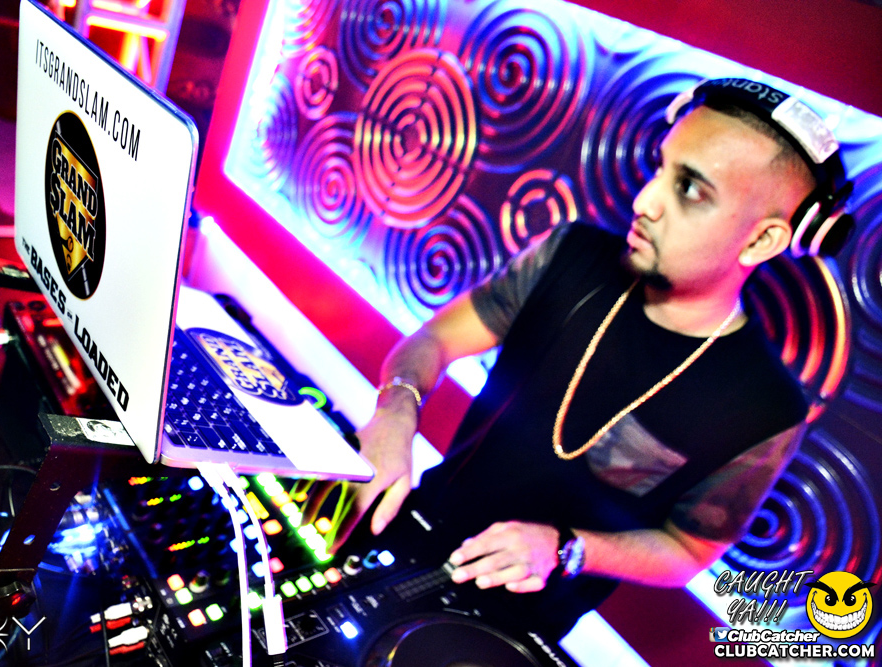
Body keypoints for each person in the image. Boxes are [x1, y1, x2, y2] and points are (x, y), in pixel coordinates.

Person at [303, 77, 855, 640]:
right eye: (661, 168)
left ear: (762, 241)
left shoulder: (767, 407)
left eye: (689, 189)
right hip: (410, 529)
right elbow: (436, 339)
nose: (645, 202)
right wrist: (396, 412)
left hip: (519, 624)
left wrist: (568, 548)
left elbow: (687, 550)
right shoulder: (571, 255)